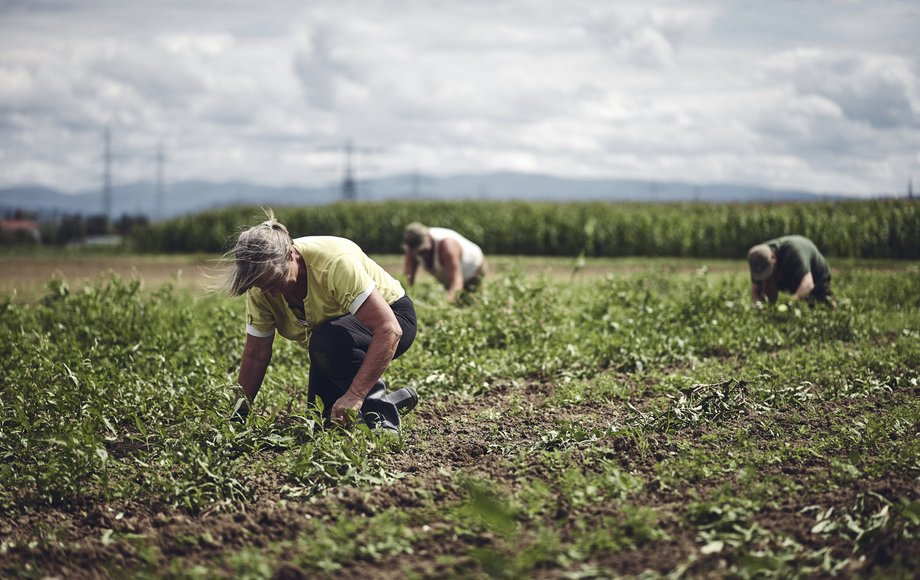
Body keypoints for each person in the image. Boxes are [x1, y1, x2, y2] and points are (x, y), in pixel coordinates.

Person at [223, 209, 418, 432]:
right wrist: (239, 414)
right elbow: (255, 355)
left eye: (276, 281)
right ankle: (392, 402)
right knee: (323, 422)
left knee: (327, 342)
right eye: (263, 286)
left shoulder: (334, 263)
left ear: (290, 254)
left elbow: (389, 329)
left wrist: (355, 396)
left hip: (393, 317)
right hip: (334, 337)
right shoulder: (262, 288)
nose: (272, 293)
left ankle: (384, 423)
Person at [402, 222, 486, 303]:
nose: (422, 255)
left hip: (474, 270)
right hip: (449, 276)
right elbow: (407, 279)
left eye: (424, 251)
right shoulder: (411, 246)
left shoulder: (447, 246)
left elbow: (456, 281)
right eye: (418, 252)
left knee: (474, 301)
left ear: (428, 237)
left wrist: (445, 306)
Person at [747, 235, 833, 305]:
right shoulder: (757, 258)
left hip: (816, 277)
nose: (764, 275)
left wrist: (791, 302)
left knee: (819, 304)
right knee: (768, 282)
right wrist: (757, 303)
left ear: (773, 258)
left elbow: (808, 283)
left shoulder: (793, 252)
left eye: (766, 271)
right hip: (786, 272)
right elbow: (755, 291)